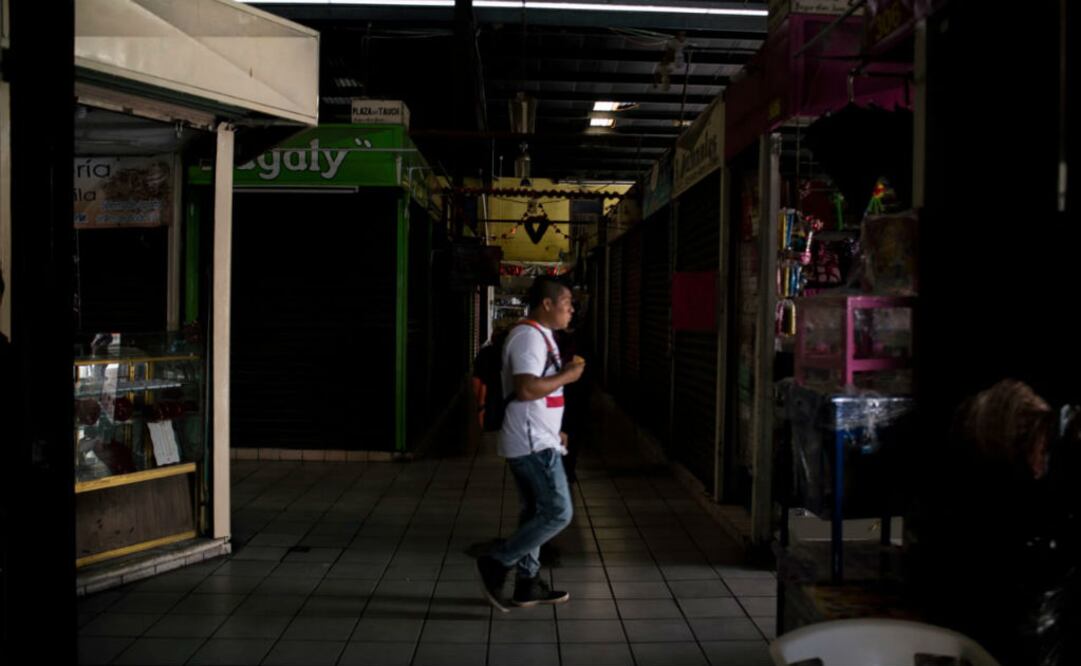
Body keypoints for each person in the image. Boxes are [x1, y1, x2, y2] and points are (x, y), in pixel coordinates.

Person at [476, 277, 584, 611]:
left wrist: (556, 429)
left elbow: (541, 394)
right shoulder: (527, 338)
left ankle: (527, 582)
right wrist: (569, 374)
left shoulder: (543, 336)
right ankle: (498, 561)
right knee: (558, 511)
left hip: (539, 437)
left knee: (535, 511)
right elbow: (526, 389)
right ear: (547, 304)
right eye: (566, 302)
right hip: (532, 444)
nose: (571, 309)